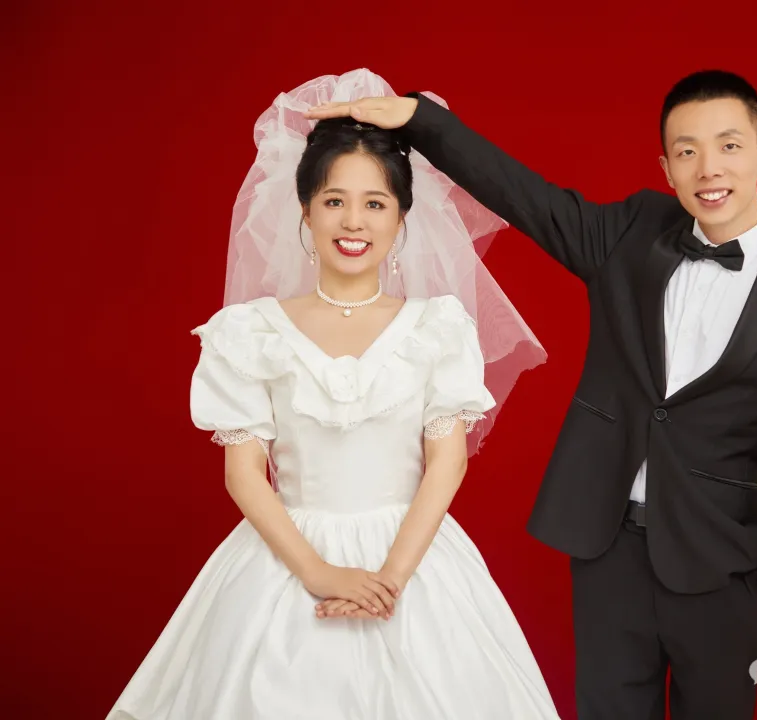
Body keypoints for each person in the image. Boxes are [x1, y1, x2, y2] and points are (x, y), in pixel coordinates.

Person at [305, 69, 757, 719]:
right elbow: (526, 197)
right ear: (667, 168)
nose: (709, 168)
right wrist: (423, 122)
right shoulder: (634, 231)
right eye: (687, 151)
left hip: (723, 565)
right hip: (608, 548)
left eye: (729, 146)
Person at [107, 70, 560, 720]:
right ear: (305, 211)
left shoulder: (437, 328)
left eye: (375, 204)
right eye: (334, 201)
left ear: (402, 218)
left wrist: (391, 580)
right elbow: (243, 473)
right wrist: (319, 574)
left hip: (414, 560)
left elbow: (448, 462)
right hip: (288, 559)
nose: (354, 221)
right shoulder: (252, 331)